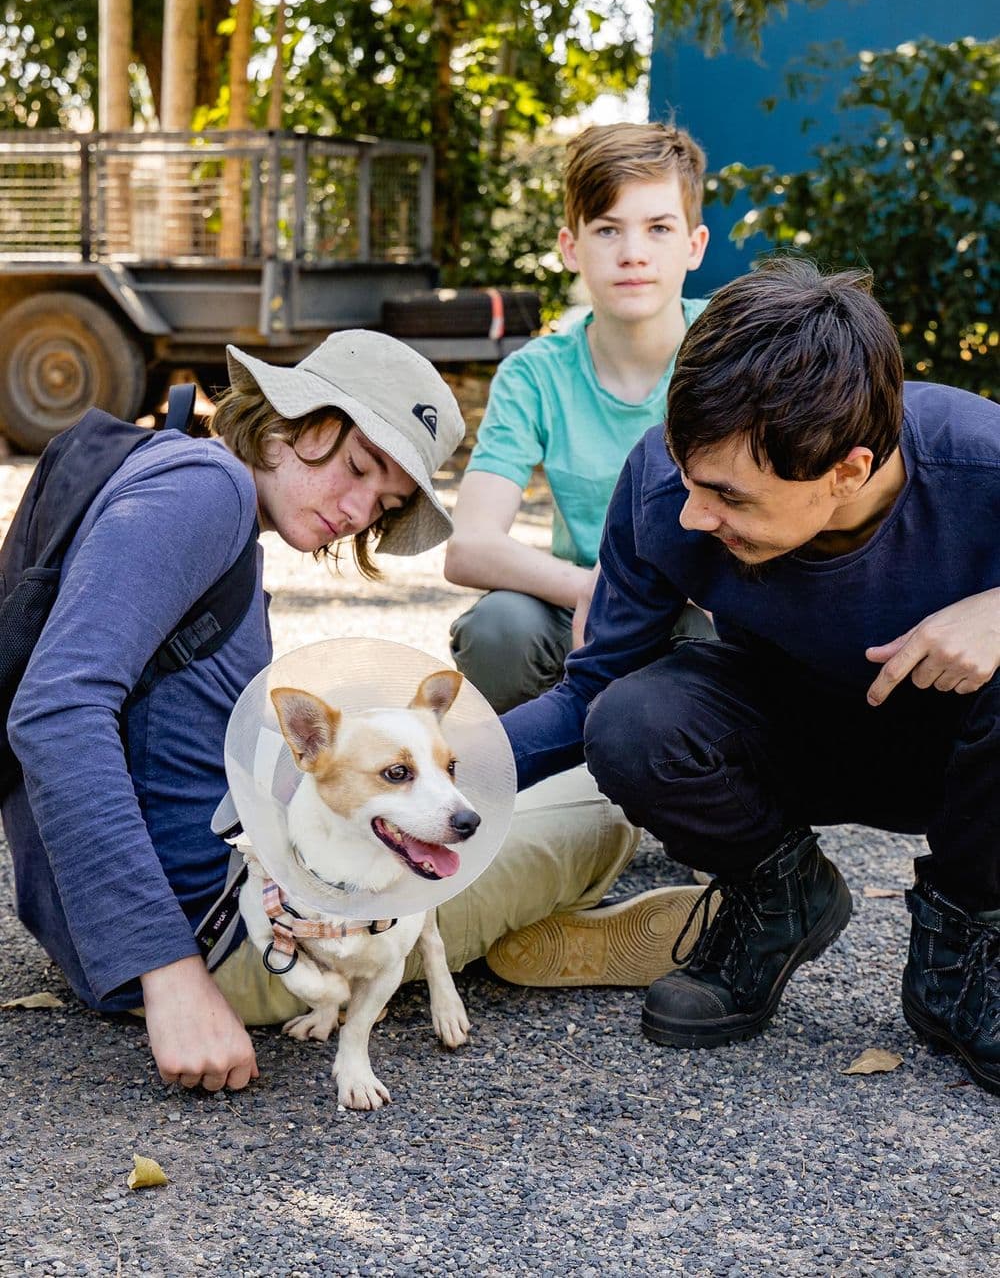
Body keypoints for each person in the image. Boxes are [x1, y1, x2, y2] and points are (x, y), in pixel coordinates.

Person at [1, 329, 699, 1093]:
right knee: (597, 810)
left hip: (149, 911)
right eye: (358, 465)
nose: (359, 507)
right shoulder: (204, 491)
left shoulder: (162, 467)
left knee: (454, 805)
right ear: (291, 415)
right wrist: (169, 974)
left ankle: (497, 928)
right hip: (230, 939)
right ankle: (502, 926)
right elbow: (56, 709)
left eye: (387, 500)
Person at [498, 258, 1000, 1097]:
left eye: (730, 496)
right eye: (689, 474)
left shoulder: (979, 463)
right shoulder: (667, 490)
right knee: (631, 720)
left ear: (848, 469)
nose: (696, 514)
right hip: (792, 738)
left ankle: (965, 942)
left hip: (964, 761)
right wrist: (438, 770)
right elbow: (590, 691)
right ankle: (780, 895)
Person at [444, 122, 712, 714]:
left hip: (707, 603)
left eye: (658, 228)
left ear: (694, 245)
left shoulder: (736, 349)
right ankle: (538, 773)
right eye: (608, 229)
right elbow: (469, 546)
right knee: (498, 629)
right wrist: (592, 586)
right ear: (571, 247)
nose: (633, 252)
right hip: (586, 601)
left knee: (746, 640)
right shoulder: (535, 374)